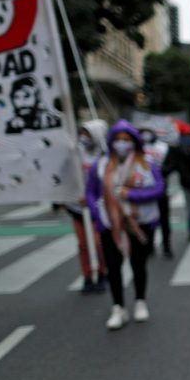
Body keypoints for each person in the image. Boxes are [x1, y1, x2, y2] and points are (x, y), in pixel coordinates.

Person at [86, 120, 165, 330]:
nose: (121, 143)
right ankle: (118, 307)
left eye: (126, 139)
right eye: (118, 139)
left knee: (138, 264)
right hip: (111, 225)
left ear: (134, 142)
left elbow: (159, 189)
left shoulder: (146, 163)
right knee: (113, 266)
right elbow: (91, 192)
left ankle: (140, 301)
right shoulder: (101, 165)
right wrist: (98, 213)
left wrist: (132, 195)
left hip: (139, 223)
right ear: (111, 142)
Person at [63, 120, 109, 293]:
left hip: (98, 206)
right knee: (83, 244)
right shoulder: (76, 153)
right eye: (82, 133)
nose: (84, 137)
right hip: (78, 207)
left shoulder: (105, 156)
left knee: (99, 242)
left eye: (88, 133)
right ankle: (88, 276)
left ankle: (103, 272)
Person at [140, 127, 175, 258]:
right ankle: (149, 246)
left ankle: (167, 246)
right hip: (145, 191)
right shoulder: (137, 149)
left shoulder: (164, 147)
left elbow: (171, 165)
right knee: (148, 219)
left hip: (161, 190)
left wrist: (159, 173)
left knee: (164, 219)